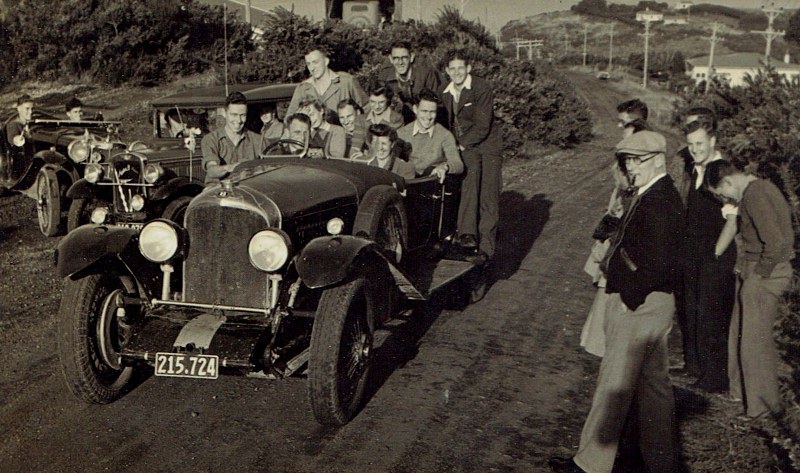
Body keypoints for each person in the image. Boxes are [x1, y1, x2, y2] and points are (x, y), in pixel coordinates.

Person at [550, 131, 683, 473]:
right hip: (652, 305)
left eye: (637, 161)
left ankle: (590, 465)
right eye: (627, 161)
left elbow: (662, 262)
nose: (631, 168)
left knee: (614, 386)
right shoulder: (655, 193)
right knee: (654, 389)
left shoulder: (659, 200)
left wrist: (630, 297)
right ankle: (661, 464)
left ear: (657, 160)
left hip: (640, 306)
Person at [705, 160, 794, 419]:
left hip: (765, 272)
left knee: (755, 344)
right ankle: (742, 395)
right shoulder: (758, 190)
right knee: (742, 335)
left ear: (728, 182)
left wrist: (758, 276)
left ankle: (762, 407)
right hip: (756, 269)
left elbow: (776, 242)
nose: (725, 199)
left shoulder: (755, 194)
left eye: (722, 193)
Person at [681, 116, 736, 393]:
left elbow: (733, 219)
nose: (695, 149)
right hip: (695, 252)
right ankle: (696, 366)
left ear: (713, 141)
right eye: (691, 144)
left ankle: (715, 377)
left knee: (711, 314)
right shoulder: (695, 168)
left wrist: (715, 253)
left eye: (700, 143)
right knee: (692, 308)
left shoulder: (722, 171)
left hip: (715, 255)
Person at [441, 49, 503, 262]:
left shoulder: (481, 87)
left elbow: (483, 124)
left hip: (487, 145)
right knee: (469, 180)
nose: (457, 72)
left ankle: (486, 248)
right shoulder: (445, 91)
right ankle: (467, 235)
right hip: (467, 147)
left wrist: (459, 144)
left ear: (468, 68)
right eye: (452, 68)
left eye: (461, 68)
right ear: (447, 70)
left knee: (488, 194)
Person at [396, 89, 463, 182]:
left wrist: (444, 167)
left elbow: (458, 164)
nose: (428, 117)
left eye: (432, 112)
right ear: (415, 109)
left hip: (430, 181)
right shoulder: (402, 133)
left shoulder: (445, 135)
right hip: (407, 181)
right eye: (424, 111)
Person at [287, 48, 367, 122]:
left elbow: (366, 108)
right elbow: (289, 119)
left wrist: (359, 129)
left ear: (326, 61)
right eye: (309, 64)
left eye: (315, 62)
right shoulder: (303, 88)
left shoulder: (346, 82)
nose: (312, 68)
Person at [377, 41, 443, 124]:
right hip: (397, 120)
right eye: (396, 58)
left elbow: (435, 104)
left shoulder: (425, 74)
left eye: (404, 58)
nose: (400, 62)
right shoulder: (384, 75)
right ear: (390, 59)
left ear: (411, 57)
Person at [200, 92, 260, 183]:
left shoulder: (258, 140)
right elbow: (212, 170)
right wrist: (232, 167)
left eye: (243, 115)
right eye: (234, 115)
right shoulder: (210, 139)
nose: (239, 120)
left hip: (247, 189)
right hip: (217, 188)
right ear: (224, 113)